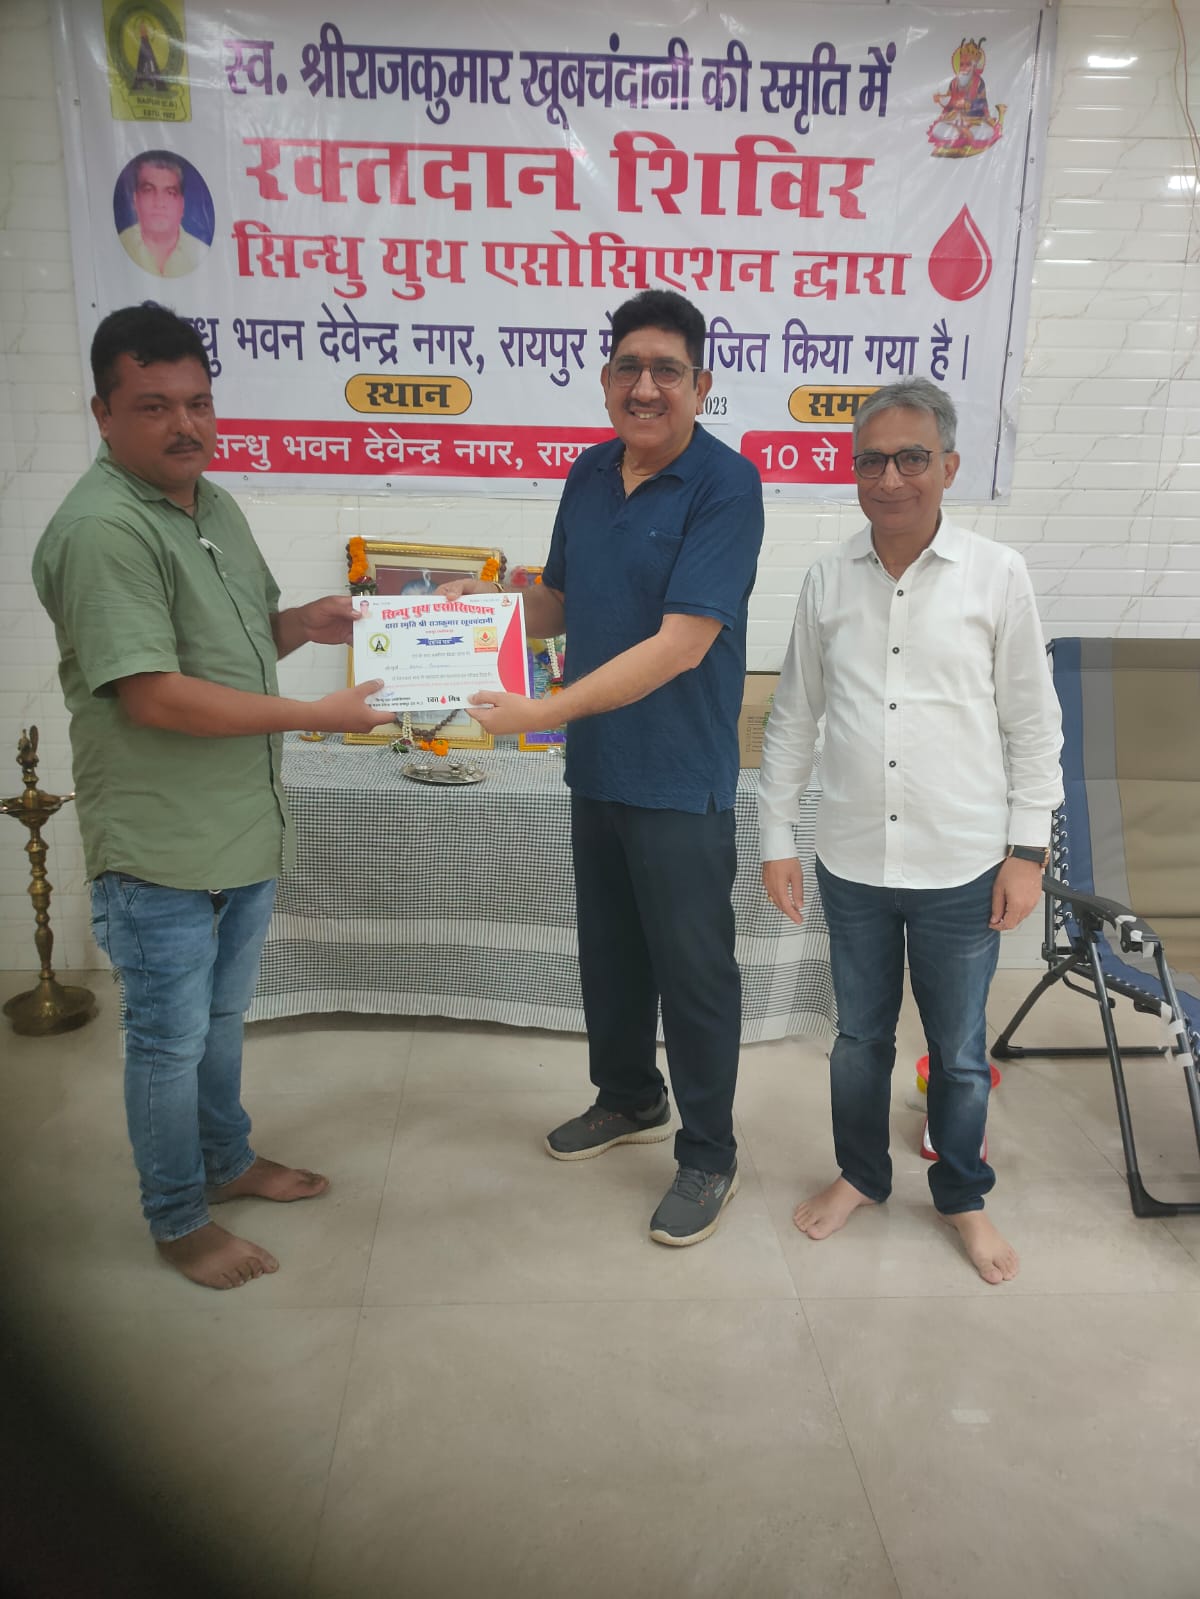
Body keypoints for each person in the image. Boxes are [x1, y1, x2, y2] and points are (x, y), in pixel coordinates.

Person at [32, 303, 394, 1290]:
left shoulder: (213, 506)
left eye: (197, 402)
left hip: (237, 829)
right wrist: (317, 714)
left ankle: (225, 1160)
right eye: (154, 406)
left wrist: (303, 622)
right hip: (160, 846)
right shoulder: (103, 530)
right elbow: (153, 695)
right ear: (103, 413)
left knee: (222, 1021)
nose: (185, 425)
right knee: (166, 1040)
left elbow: (228, 649)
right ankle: (178, 1217)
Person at [443, 289, 763, 1246]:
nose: (646, 386)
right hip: (600, 766)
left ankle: (709, 1153)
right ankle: (629, 1097)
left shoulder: (725, 485)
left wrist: (540, 713)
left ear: (701, 383)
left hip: (679, 774)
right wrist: (481, 608)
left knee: (693, 973)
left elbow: (681, 643)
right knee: (612, 955)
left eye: (667, 370)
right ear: (605, 377)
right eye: (629, 367)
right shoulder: (588, 471)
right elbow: (561, 602)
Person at [757, 377, 1063, 1284]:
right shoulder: (828, 578)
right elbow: (794, 716)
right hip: (852, 857)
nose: (890, 478)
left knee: (960, 1051)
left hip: (963, 862)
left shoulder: (997, 574)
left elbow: (1032, 723)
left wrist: (1028, 851)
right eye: (872, 461)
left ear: (949, 467)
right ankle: (861, 1173)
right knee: (858, 1038)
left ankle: (962, 1194)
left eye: (912, 458)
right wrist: (776, 835)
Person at [118, 153, 209, 278]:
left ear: (182, 205)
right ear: (135, 200)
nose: (159, 203)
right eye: (148, 190)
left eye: (170, 193)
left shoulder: (201, 252)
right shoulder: (118, 246)